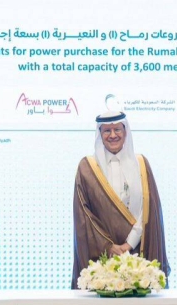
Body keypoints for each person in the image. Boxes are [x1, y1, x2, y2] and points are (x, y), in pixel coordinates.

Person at [72, 111, 169, 287]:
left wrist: (129, 244)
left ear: (125, 131)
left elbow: (148, 209)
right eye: (107, 131)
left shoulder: (141, 164)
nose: (113, 135)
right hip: (102, 256)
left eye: (117, 129)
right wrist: (108, 246)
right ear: (100, 134)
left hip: (138, 252)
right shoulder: (87, 168)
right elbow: (84, 216)